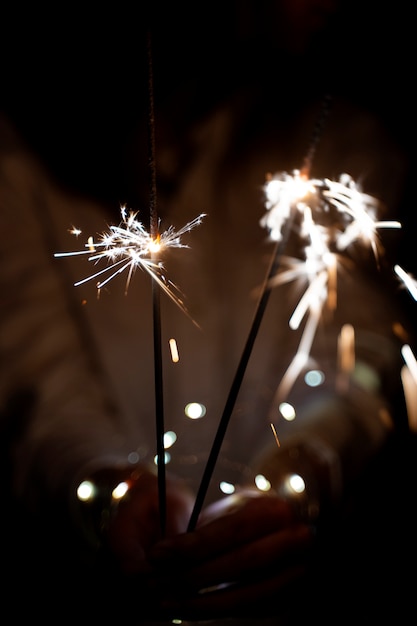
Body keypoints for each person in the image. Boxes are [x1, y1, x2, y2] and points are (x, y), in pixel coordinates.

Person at [1, 2, 416, 623]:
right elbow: (37, 388)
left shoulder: (345, 140)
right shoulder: (19, 156)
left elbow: (359, 365)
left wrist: (297, 480)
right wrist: (115, 494)